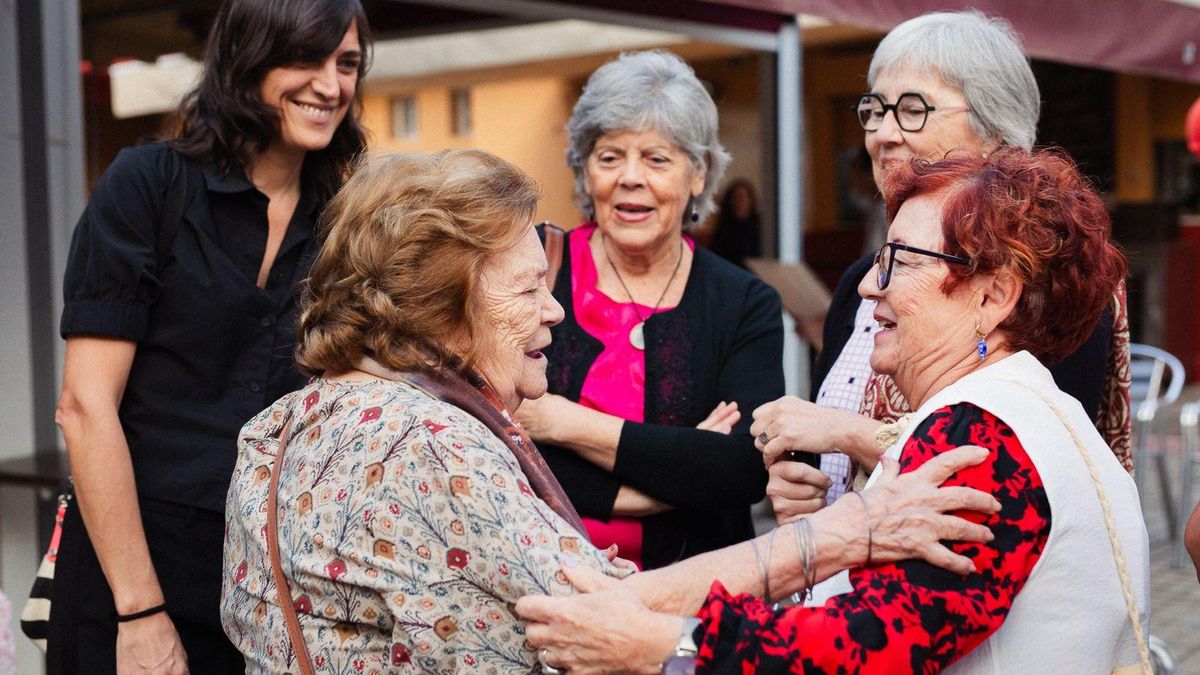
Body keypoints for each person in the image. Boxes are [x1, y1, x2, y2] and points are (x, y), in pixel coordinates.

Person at [219, 148, 996, 673]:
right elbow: (603, 616)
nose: (555, 314)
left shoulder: (281, 428)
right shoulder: (426, 442)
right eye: (527, 288)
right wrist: (848, 532)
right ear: (437, 304)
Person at [518, 148, 1150, 674]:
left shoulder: (980, 435)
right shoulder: (1030, 411)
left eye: (901, 259)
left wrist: (660, 646)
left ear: (994, 296)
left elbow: (866, 651)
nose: (871, 285)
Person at [51, 1, 370, 672]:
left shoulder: (346, 225)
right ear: (248, 57)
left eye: (346, 63)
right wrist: (139, 612)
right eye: (305, 58)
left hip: (270, 590)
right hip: (129, 573)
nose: (331, 84)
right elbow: (84, 408)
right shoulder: (147, 187)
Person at [752, 10, 1132, 523]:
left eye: (912, 110)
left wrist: (842, 432)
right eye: (874, 109)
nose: (881, 134)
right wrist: (801, 490)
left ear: (996, 133)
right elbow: (827, 470)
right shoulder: (862, 281)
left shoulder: (1049, 281)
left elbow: (1026, 471)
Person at [514, 50, 784, 570]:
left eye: (657, 159)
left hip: (696, 597)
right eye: (609, 156)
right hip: (545, 587)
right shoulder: (533, 271)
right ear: (585, 170)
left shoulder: (744, 304)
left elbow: (741, 470)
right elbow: (497, 442)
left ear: (699, 174)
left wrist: (561, 421)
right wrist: (668, 475)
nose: (630, 178)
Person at [709, 178, 763, 268]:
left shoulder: (760, 228)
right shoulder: (724, 229)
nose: (741, 202)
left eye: (744, 197)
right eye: (738, 197)